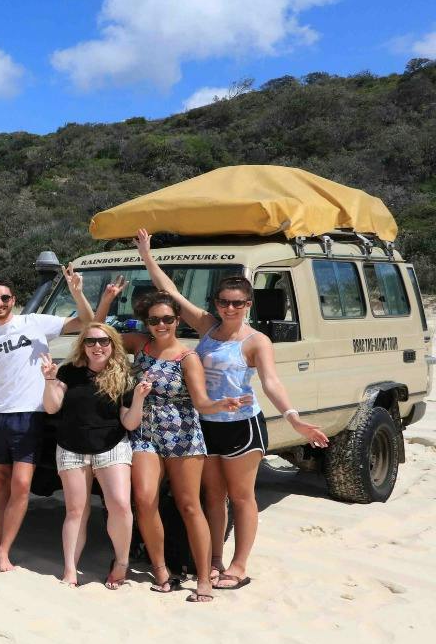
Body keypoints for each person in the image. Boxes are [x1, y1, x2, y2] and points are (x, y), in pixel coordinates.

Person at [133, 231, 330, 588]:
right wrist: (147, 255)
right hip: (206, 423)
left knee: (241, 497)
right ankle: (214, 560)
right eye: (224, 301)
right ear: (217, 302)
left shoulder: (256, 341)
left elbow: (271, 382)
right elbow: (171, 294)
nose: (230, 308)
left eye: (237, 303)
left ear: (248, 305)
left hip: (242, 424)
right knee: (213, 496)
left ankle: (238, 567)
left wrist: (294, 418)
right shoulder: (208, 327)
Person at [0, 271, 93, 571]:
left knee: (22, 485)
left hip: (29, 416)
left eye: (5, 298)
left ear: (14, 300)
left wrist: (76, 292)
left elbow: (85, 321)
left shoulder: (35, 322)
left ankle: (4, 550)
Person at [120, 290, 252, 603]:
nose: (161, 324)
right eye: (154, 320)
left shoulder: (188, 357)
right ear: (147, 322)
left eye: (167, 318)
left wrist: (222, 404)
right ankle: (161, 570)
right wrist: (94, 298)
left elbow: (201, 401)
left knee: (190, 505)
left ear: (178, 320)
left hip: (183, 434)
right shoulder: (140, 344)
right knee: (144, 498)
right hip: (145, 432)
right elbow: (97, 332)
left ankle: (204, 579)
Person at [39, 323, 134, 588]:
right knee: (75, 510)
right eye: (90, 342)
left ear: (112, 344)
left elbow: (128, 420)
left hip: (111, 446)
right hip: (72, 448)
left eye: (103, 341)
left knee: (120, 505)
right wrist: (49, 380)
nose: (97, 347)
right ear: (83, 346)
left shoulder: (124, 374)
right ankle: (70, 569)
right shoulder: (69, 372)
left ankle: (121, 562)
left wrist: (138, 400)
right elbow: (51, 407)